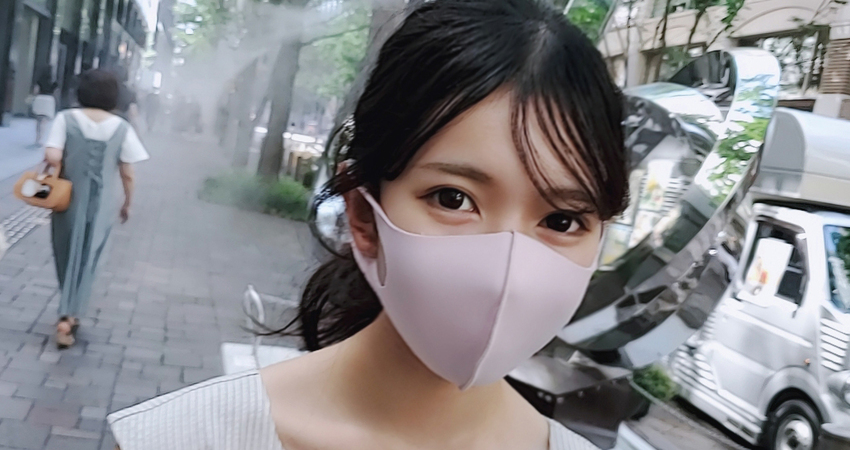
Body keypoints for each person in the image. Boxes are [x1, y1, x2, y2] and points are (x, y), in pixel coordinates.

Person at [107, 1, 628, 449]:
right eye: (453, 199)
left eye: (562, 220)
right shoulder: (179, 437)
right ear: (362, 213)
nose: (506, 271)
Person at [44, 69, 149, 349]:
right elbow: (128, 173)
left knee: (66, 252)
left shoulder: (65, 119)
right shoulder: (121, 128)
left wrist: (58, 164)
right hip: (101, 205)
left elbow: (52, 155)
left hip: (66, 199)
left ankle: (67, 310)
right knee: (90, 257)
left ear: (81, 93)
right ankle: (70, 315)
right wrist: (127, 203)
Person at [31, 68, 58, 147]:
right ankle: (41, 139)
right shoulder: (54, 83)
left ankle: (37, 138)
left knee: (38, 121)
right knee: (44, 121)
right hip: (49, 100)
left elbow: (35, 91)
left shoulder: (39, 82)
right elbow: (56, 93)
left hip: (40, 99)